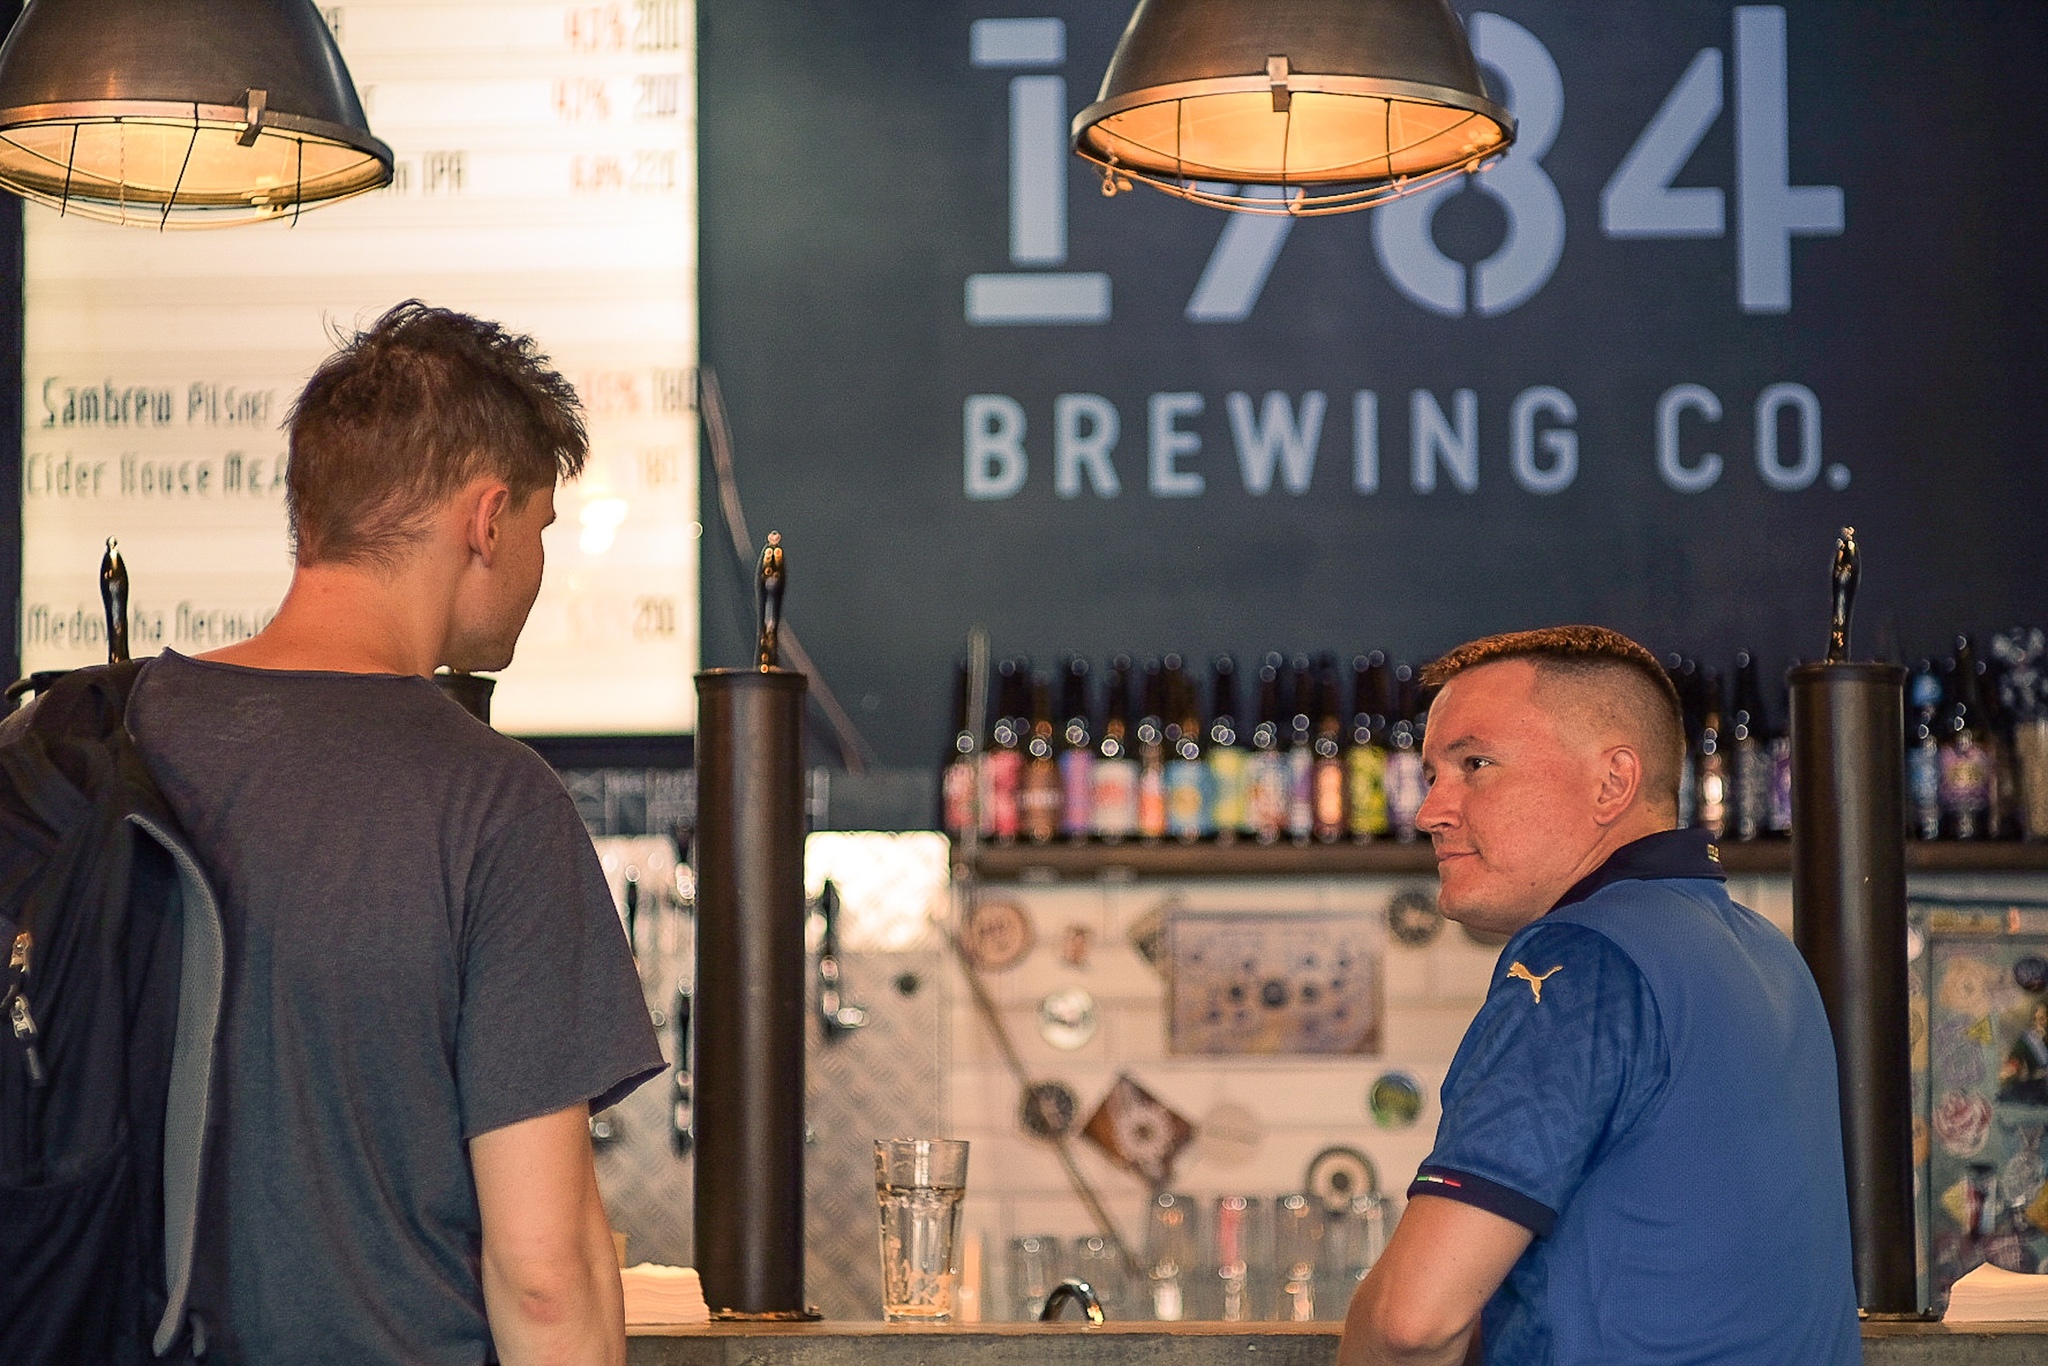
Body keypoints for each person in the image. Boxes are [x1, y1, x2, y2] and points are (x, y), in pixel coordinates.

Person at [121, 303, 665, 1365]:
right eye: (543, 529)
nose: (538, 566)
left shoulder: (91, 744)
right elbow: (544, 1274)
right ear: (487, 520)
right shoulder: (492, 804)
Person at [1338, 626, 1859, 1366]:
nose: (1431, 812)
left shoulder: (1582, 958)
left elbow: (1412, 1323)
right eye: (1431, 776)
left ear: (1612, 783)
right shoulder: (1768, 955)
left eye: (1476, 765)